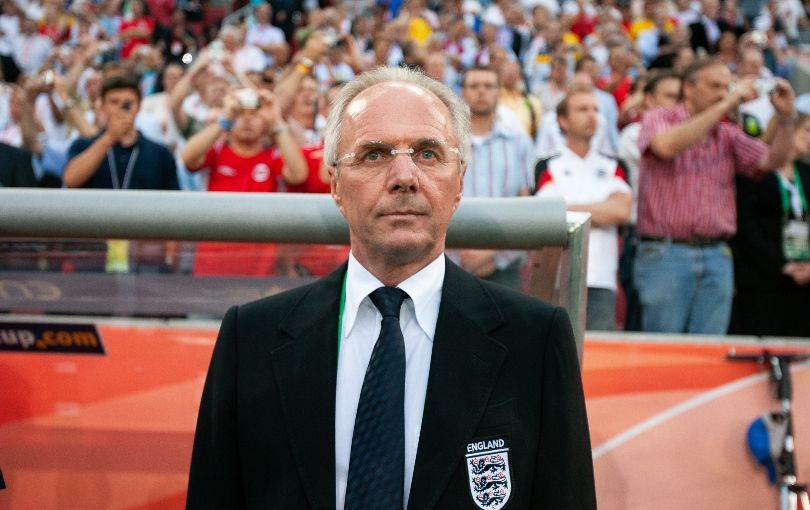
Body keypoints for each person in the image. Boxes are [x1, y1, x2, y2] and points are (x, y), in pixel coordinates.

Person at [186, 66, 595, 509]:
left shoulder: (534, 340)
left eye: (428, 153)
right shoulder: (251, 339)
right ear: (336, 185)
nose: (404, 176)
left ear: (459, 183)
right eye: (375, 154)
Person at [634, 57, 797, 334]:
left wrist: (785, 119)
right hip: (667, 252)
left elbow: (772, 160)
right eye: (714, 86)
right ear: (688, 88)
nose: (723, 93)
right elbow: (665, 146)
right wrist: (727, 104)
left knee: (710, 354)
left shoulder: (727, 133)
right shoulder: (659, 117)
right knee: (664, 351)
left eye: (726, 86)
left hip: (716, 254)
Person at [535, 87, 632, 330]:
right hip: (558, 277)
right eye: (582, 109)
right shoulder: (547, 165)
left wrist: (567, 208)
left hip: (600, 276)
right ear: (562, 121)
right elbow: (547, 215)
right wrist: (601, 210)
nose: (592, 115)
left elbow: (621, 212)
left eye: (595, 109)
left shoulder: (614, 165)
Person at [730, 113, 810, 337]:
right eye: (807, 130)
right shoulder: (754, 172)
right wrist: (780, 264)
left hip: (803, 279)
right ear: (785, 131)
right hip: (762, 277)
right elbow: (747, 227)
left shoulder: (806, 173)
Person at [457, 65, 536, 289]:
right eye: (474, 86)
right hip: (453, 260)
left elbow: (525, 206)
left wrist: (492, 253)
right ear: (463, 92)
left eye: (488, 86)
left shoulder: (519, 142)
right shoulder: (447, 143)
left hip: (505, 264)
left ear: (498, 92)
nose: (481, 91)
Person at [63, 73, 179, 190]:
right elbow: (70, 180)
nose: (121, 108)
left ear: (138, 107)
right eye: (114, 102)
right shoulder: (83, 145)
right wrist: (109, 138)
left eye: (128, 103)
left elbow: (172, 199)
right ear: (102, 106)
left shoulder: (160, 153)